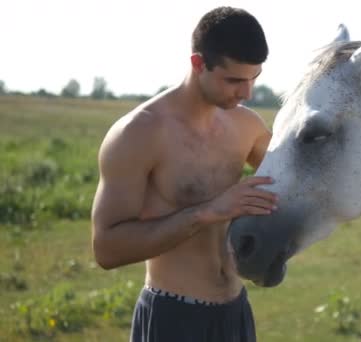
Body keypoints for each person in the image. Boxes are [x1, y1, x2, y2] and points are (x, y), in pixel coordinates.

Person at [91, 6, 277, 342]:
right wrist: (208, 212)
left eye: (254, 78)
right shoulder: (139, 133)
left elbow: (292, 180)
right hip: (173, 316)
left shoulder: (247, 125)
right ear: (198, 63)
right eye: (234, 80)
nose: (247, 93)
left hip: (236, 312)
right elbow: (106, 249)